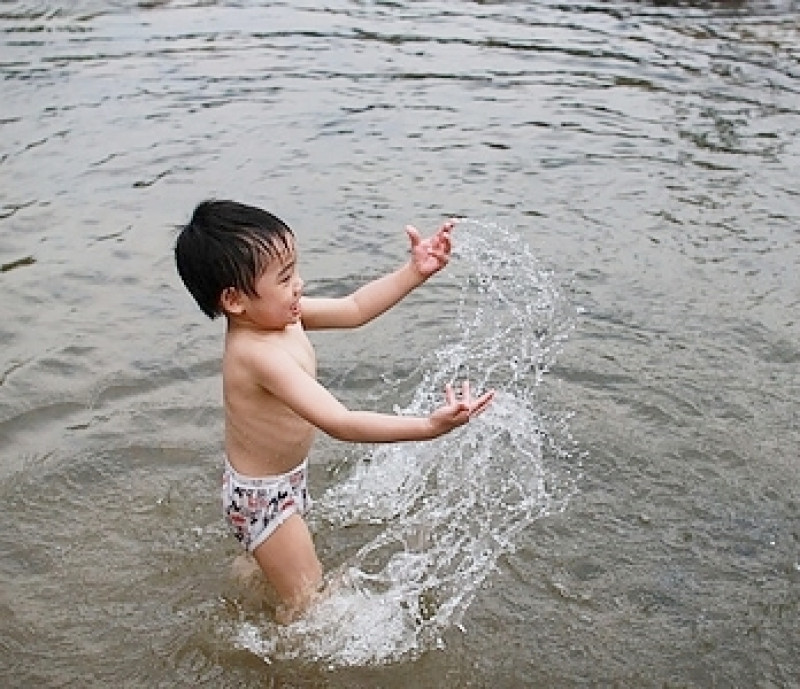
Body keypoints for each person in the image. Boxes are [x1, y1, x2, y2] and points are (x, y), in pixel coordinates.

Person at [174, 200, 495, 622]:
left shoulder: (282, 317)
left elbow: (355, 309)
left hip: (284, 479)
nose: (300, 285)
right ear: (234, 300)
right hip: (264, 498)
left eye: (296, 270)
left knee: (279, 576)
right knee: (310, 603)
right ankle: (282, 664)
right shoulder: (257, 354)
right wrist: (428, 427)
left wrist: (414, 272)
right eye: (285, 278)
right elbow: (340, 422)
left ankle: (247, 581)